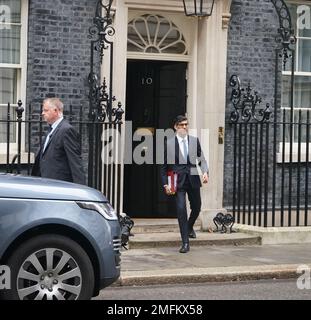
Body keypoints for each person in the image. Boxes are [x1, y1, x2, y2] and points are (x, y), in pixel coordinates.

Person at [160, 115, 209, 253]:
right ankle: (185, 243)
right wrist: (165, 184)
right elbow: (163, 167)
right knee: (181, 210)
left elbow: (202, 159)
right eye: (181, 125)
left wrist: (205, 172)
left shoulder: (194, 141)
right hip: (177, 182)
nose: (185, 127)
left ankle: (189, 226)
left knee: (197, 207)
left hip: (193, 178)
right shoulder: (169, 144)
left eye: (186, 124)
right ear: (175, 127)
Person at [31, 97, 86, 185]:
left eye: (46, 110)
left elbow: (75, 161)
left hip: (58, 185)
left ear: (56, 111)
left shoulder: (66, 130)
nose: (42, 113)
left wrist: (81, 189)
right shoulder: (51, 129)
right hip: (46, 183)